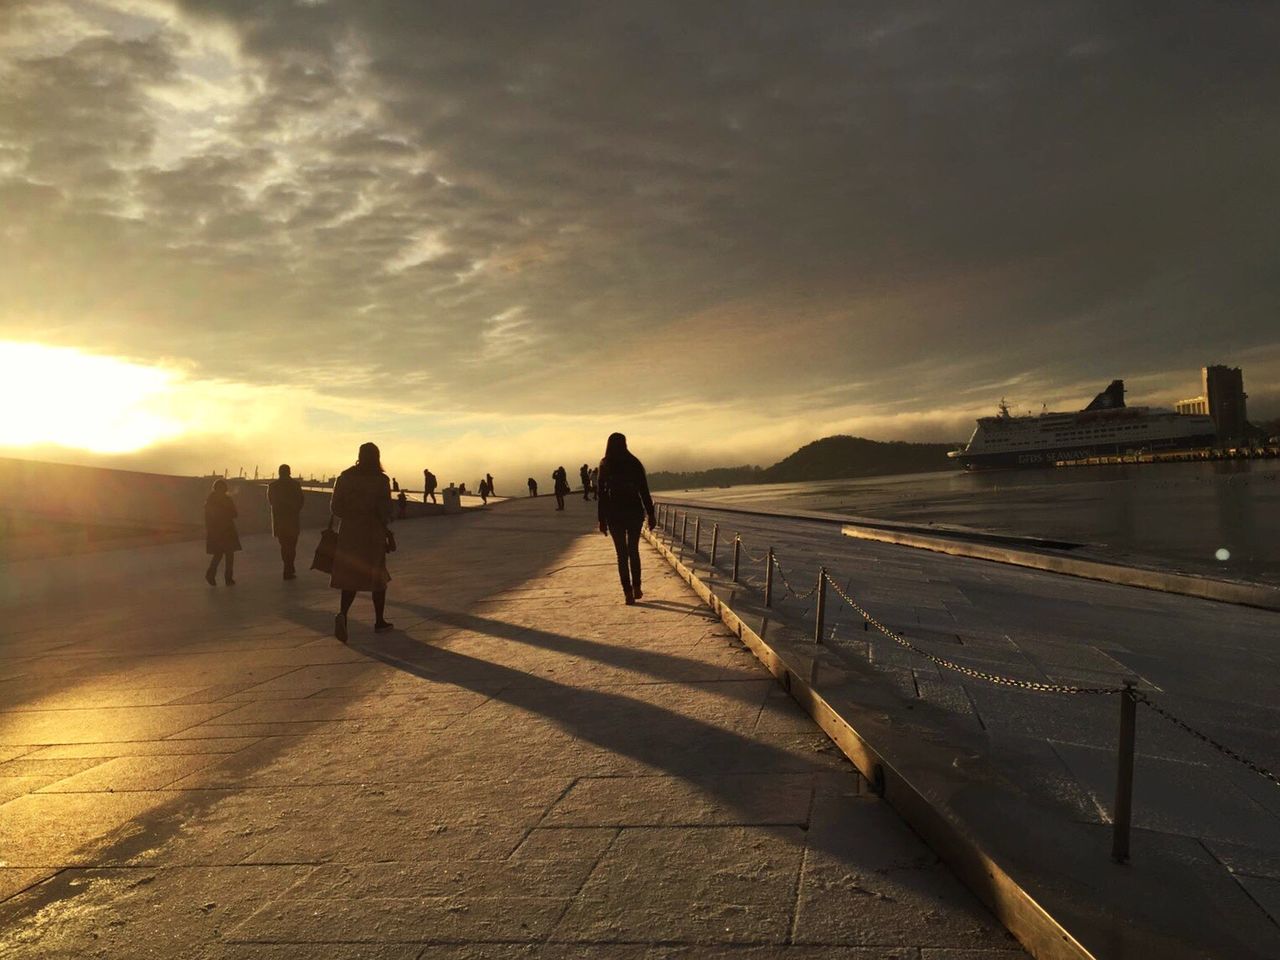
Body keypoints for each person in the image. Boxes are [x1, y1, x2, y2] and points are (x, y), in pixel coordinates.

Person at [331, 442, 394, 641]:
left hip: (349, 533)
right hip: (372, 533)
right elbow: (385, 510)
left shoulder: (345, 477)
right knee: (377, 576)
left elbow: (335, 508)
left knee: (350, 577)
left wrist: (352, 515)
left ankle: (343, 614)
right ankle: (379, 621)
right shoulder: (381, 480)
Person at [597, 432, 656, 605]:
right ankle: (637, 587)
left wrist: (601, 519)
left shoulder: (605, 464)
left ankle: (628, 592)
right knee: (633, 550)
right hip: (634, 511)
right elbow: (644, 490)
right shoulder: (634, 463)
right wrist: (651, 513)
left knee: (621, 555)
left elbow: (601, 495)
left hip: (614, 514)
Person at [267, 464, 305, 580]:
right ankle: (289, 567)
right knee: (292, 545)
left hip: (279, 521)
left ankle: (287, 567)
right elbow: (301, 501)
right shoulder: (295, 485)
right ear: (289, 472)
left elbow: (271, 501)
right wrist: (294, 509)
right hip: (292, 520)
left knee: (284, 546)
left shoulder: (272, 486)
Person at [204, 479, 240, 586]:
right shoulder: (227, 499)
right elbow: (234, 514)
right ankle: (228, 578)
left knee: (218, 554)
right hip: (227, 530)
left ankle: (211, 574)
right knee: (229, 555)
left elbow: (208, 518)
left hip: (216, 531)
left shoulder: (210, 501)